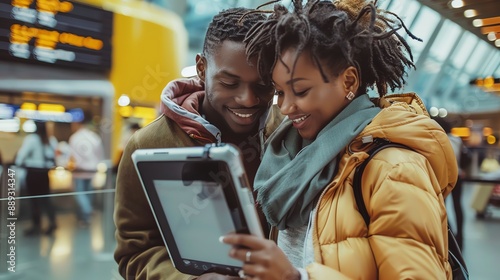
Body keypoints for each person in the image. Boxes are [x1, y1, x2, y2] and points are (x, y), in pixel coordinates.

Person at [219, 1, 458, 279]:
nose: (285, 107)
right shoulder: (289, 158)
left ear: (349, 82)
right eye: (280, 92)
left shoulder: (394, 169)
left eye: (301, 90)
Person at [113, 7, 282, 280]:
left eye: (263, 85)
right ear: (202, 68)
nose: (248, 99)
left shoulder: (289, 131)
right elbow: (135, 252)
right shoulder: (146, 145)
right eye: (230, 82)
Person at [15, 120, 58, 235]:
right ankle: (52, 222)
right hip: (44, 173)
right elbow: (54, 156)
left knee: (34, 200)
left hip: (33, 173)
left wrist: (18, 163)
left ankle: (36, 225)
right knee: (45, 199)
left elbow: (21, 156)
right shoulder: (50, 139)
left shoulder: (32, 139)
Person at [69, 113, 105, 227]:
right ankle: (86, 217)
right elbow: (100, 154)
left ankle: (87, 211)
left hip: (79, 170)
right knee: (88, 193)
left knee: (80, 194)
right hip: (91, 170)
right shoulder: (94, 137)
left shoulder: (74, 137)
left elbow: (71, 156)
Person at [435, 117, 465, 250]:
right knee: (458, 205)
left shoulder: (439, 139)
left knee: (443, 207)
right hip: (459, 175)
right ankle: (460, 235)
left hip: (444, 176)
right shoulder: (457, 140)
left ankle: (449, 233)